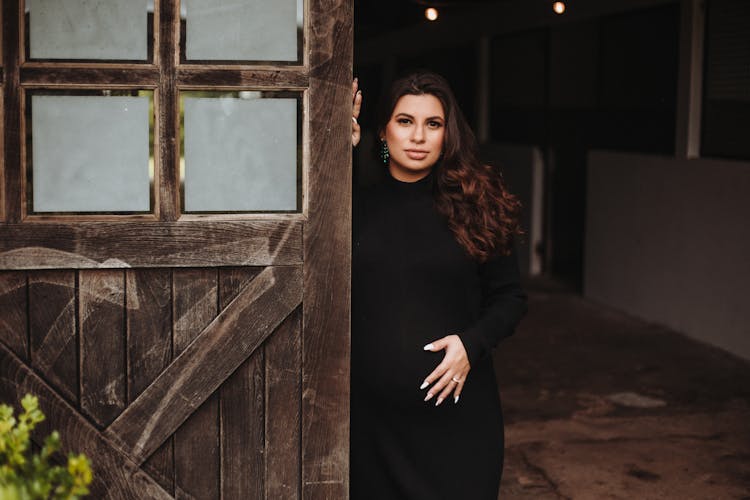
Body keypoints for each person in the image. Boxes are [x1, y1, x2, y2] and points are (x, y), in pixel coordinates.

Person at [350, 70, 528, 500]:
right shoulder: (351, 205)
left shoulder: (476, 205)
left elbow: (511, 298)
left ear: (448, 135)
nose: (418, 136)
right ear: (382, 130)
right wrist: (336, 151)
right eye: (405, 121)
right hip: (372, 430)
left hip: (458, 424)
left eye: (433, 124)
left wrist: (471, 344)